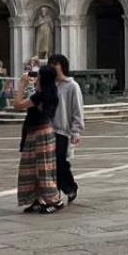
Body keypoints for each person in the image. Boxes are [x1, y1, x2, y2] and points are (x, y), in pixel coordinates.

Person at [14, 63, 65, 213]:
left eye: (39, 76)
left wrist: (22, 84)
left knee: (42, 168)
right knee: (34, 167)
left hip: (40, 132)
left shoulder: (41, 95)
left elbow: (17, 105)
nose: (37, 79)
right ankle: (37, 199)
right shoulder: (49, 91)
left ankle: (55, 200)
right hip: (38, 131)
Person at [49, 54, 84, 203]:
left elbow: (77, 109)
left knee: (60, 162)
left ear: (62, 66)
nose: (52, 67)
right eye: (50, 64)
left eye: (55, 64)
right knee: (50, 163)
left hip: (63, 131)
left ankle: (69, 187)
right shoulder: (49, 85)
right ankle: (54, 191)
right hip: (48, 130)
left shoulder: (72, 86)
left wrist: (76, 130)